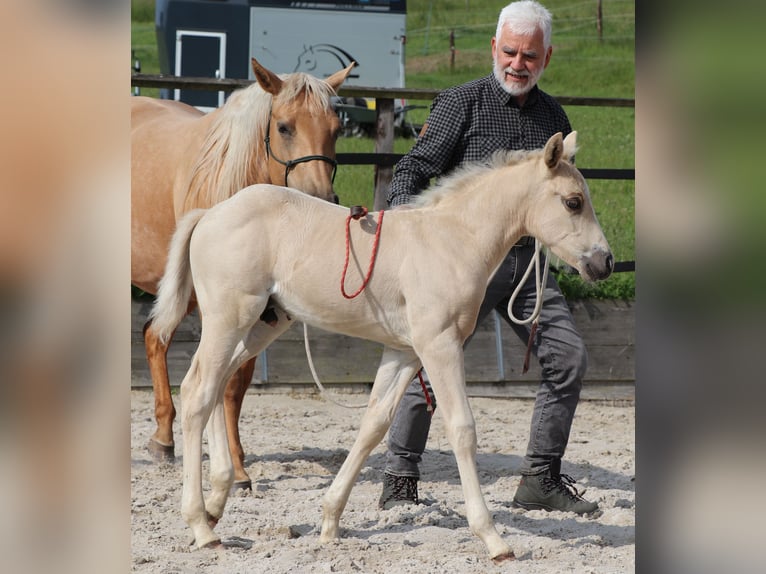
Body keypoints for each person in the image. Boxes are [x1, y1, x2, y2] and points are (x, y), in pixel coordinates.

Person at [379, 0, 599, 515]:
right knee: (426, 363)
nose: (517, 64)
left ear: (547, 57)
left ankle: (540, 478)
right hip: (459, 268)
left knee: (568, 358)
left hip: (528, 268)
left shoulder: (553, 117)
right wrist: (403, 230)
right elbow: (413, 170)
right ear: (493, 48)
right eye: (509, 51)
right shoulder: (462, 103)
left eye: (529, 55)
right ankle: (399, 477)